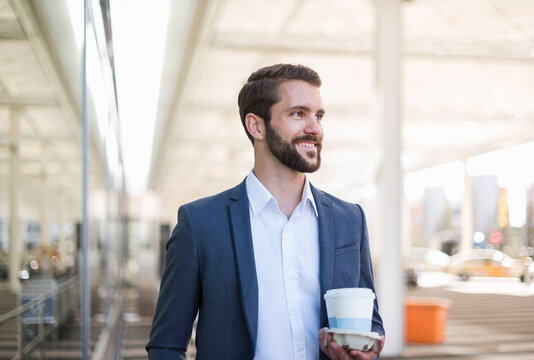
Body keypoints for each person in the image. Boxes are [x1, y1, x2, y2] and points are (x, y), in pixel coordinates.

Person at [146, 64, 385, 360]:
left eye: (318, 115)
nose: (315, 128)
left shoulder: (350, 220)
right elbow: (165, 346)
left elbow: (370, 322)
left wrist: (365, 352)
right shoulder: (201, 225)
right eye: (298, 113)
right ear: (256, 126)